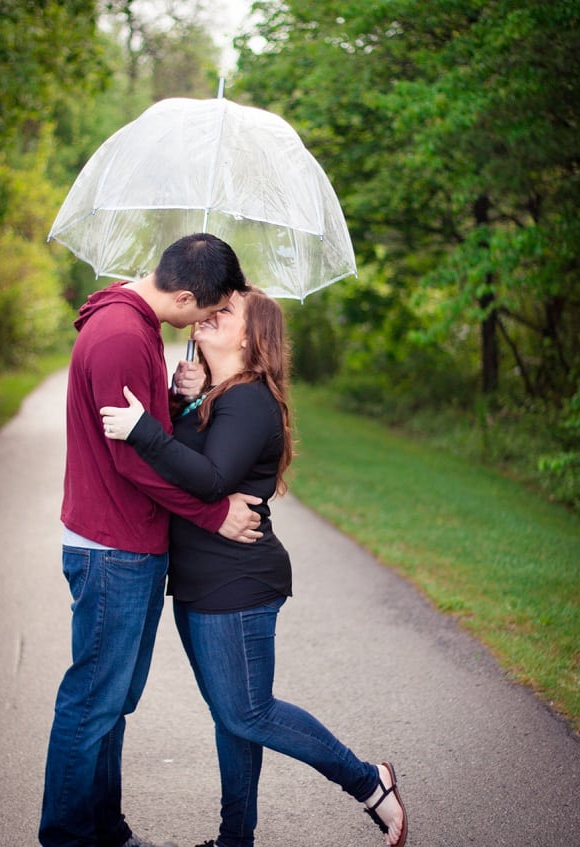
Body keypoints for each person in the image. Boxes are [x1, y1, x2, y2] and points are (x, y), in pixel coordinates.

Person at [100, 285, 408, 847]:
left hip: (236, 582)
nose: (211, 314)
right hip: (204, 581)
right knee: (232, 716)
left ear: (253, 334)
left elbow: (212, 481)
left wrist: (143, 427)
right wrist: (180, 399)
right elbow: (191, 457)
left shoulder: (249, 400)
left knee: (248, 712)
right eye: (210, 306)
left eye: (227, 310)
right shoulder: (222, 395)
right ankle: (234, 840)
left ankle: (370, 783)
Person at [40, 234, 264, 847]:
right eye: (209, 311)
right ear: (185, 295)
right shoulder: (120, 335)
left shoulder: (134, 327)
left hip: (129, 544)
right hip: (113, 547)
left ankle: (104, 828)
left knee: (111, 704)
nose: (209, 322)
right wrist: (213, 512)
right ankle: (65, 836)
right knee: (92, 703)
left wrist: (174, 397)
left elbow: (143, 433)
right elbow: (133, 464)